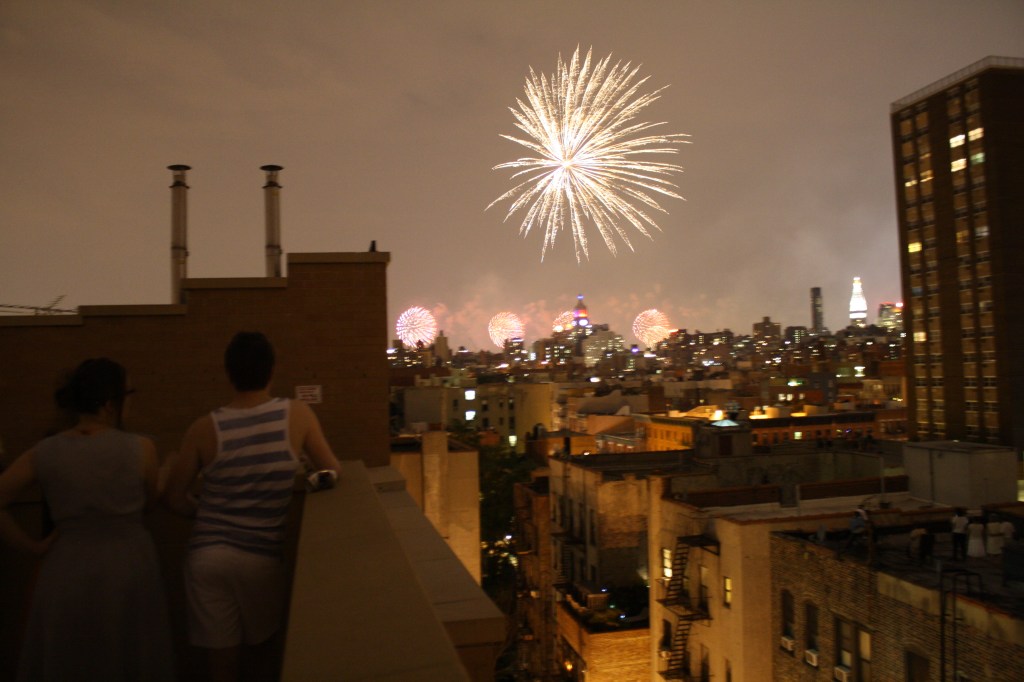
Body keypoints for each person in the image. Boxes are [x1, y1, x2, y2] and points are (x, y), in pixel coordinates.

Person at [163, 331, 341, 682]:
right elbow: (331, 470)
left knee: (221, 669)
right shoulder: (297, 416)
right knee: (262, 658)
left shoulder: (203, 428)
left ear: (229, 373)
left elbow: (174, 496)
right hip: (260, 558)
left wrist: (209, 516)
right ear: (271, 370)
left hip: (206, 557)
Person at [0, 358, 174, 681]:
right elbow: (148, 502)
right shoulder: (142, 448)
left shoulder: (44, 451)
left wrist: (33, 547)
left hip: (65, 570)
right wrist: (165, 474)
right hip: (128, 568)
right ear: (110, 404)